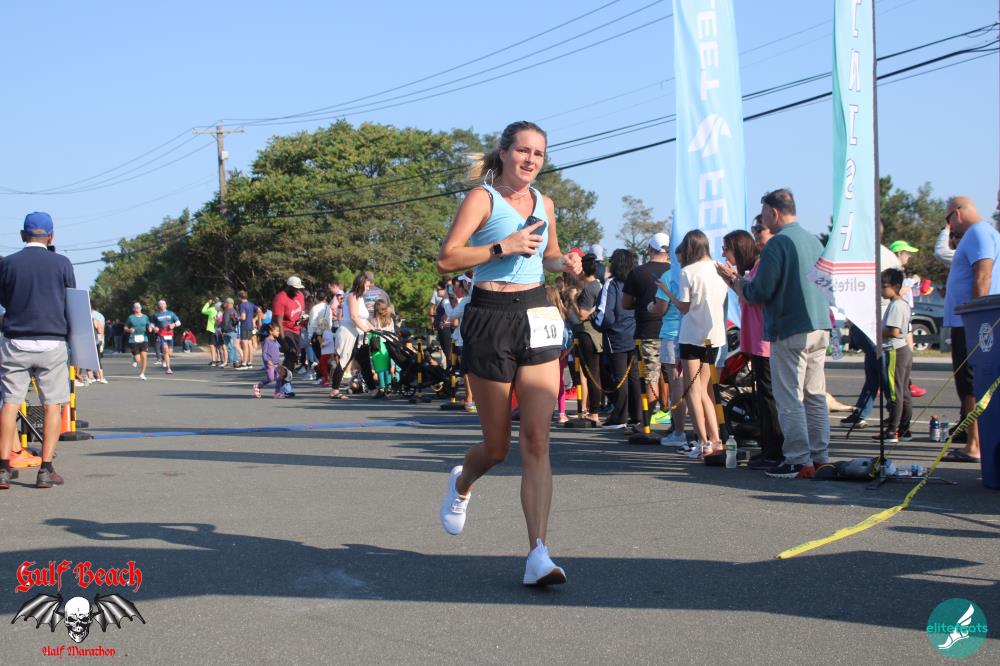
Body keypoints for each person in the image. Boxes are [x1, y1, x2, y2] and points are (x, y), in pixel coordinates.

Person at [436, 120, 582, 586]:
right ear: (503, 153)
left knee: (537, 440)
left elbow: (548, 256)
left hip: (536, 313)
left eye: (538, 153)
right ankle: (462, 482)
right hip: (489, 316)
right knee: (498, 448)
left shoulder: (545, 203)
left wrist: (566, 264)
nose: (531, 160)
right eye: (523, 151)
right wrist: (504, 245)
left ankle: (539, 553)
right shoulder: (482, 198)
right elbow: (448, 259)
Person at [722, 189, 831, 479]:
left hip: (789, 328)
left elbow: (761, 291)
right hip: (820, 325)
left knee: (789, 397)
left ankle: (797, 459)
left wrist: (738, 283)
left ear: (773, 212)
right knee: (815, 395)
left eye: (763, 216)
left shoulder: (777, 244)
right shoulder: (815, 241)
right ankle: (820, 456)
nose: (762, 222)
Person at [0, 213, 77, 489]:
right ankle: (46, 469)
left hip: (16, 341)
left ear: (23, 235)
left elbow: (4, 302)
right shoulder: (62, 263)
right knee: (52, 405)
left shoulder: (8, 264)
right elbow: (72, 303)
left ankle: (3, 468)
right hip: (52, 341)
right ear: (51, 236)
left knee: (10, 402)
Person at [656, 230, 728, 458]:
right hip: (715, 336)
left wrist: (667, 292)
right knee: (706, 391)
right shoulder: (719, 268)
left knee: (693, 392)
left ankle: (703, 442)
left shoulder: (688, 272)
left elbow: (684, 307)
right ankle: (716, 440)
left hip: (691, 336)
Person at [941, 196, 1000, 463]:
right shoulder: (983, 234)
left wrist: (978, 321)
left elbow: (983, 275)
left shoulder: (977, 233)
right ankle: (977, 442)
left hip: (971, 324)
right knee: (973, 384)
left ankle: (974, 445)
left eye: (948, 220)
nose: (949, 227)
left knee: (971, 386)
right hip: (972, 323)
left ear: (957, 213)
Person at [719, 224, 783, 468]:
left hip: (764, 342)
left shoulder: (760, 266)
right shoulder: (753, 269)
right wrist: (733, 280)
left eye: (726, 248)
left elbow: (751, 296)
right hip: (756, 340)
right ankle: (767, 446)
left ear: (738, 248)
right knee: (762, 396)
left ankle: (774, 449)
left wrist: (732, 279)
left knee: (769, 396)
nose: (724, 253)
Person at [623, 232, 671, 415]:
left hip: (647, 331)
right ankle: (674, 421)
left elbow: (625, 303)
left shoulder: (638, 272)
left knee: (651, 377)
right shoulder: (675, 272)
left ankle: (648, 422)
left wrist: (641, 303)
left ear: (650, 248)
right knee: (673, 376)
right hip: (673, 331)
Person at [595, 248, 641, 432]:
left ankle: (620, 416)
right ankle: (637, 416)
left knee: (620, 377)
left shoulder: (611, 284)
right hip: (634, 333)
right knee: (634, 377)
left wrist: (598, 324)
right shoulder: (635, 281)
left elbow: (606, 314)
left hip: (616, 336)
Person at [874, 268, 912, 443]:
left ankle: (892, 430)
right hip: (903, 350)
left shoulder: (896, 305)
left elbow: (894, 331)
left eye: (884, 286)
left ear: (896, 287)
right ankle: (904, 428)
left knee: (895, 392)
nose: (881, 290)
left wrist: (875, 331)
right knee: (904, 391)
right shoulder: (901, 304)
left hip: (895, 351)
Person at [567, 254, 603, 425]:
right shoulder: (598, 285)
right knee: (593, 373)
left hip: (588, 334)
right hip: (595, 334)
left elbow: (582, 315)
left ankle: (594, 411)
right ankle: (592, 409)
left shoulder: (590, 289)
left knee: (591, 374)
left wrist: (572, 299)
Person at [329, 273, 375, 400]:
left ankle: (373, 389)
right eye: (367, 286)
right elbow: (354, 317)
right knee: (345, 361)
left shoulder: (360, 298)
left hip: (358, 334)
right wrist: (365, 329)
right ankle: (334, 390)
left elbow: (363, 318)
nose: (368, 288)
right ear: (361, 284)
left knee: (365, 361)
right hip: (348, 332)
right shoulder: (352, 296)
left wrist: (373, 328)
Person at [272, 277, 306, 376]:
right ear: (288, 287)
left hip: (297, 329)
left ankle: (282, 375)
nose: (297, 291)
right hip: (284, 329)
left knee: (295, 356)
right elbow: (278, 323)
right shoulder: (280, 299)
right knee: (291, 352)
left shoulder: (300, 295)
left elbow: (302, 311)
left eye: (299, 288)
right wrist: (283, 342)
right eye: (295, 289)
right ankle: (284, 379)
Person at [369, 300, 396, 399]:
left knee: (379, 368)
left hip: (378, 345)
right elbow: (393, 332)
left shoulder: (374, 320)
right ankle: (388, 387)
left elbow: (370, 331)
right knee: (388, 367)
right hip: (388, 345)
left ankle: (381, 389)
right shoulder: (390, 319)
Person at [252, 323, 287, 398]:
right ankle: (258, 386)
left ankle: (277, 393)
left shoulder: (276, 341)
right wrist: (267, 361)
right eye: (277, 331)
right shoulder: (267, 341)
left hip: (277, 363)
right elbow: (264, 353)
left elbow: (279, 348)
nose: (279, 332)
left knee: (279, 377)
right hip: (269, 364)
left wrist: (285, 348)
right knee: (270, 378)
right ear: (271, 332)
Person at [151, 299, 181, 375]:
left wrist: (174, 324)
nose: (162, 305)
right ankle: (168, 369)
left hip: (170, 335)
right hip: (161, 335)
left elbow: (178, 322)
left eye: (163, 304)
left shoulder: (171, 313)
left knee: (170, 353)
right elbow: (152, 324)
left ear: (166, 305)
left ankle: (164, 358)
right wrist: (154, 328)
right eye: (160, 304)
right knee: (166, 350)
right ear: (158, 306)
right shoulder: (156, 315)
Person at [124, 302, 152, 381]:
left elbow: (149, 324)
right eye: (136, 307)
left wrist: (150, 328)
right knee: (138, 359)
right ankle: (134, 359)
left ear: (141, 308)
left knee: (144, 357)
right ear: (133, 309)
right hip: (133, 339)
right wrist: (129, 330)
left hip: (144, 338)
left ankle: (142, 373)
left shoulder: (145, 317)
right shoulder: (131, 317)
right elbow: (125, 327)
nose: (137, 309)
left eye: (138, 307)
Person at [238, 290, 258, 370]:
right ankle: (249, 363)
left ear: (240, 297)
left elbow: (243, 317)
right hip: (250, 326)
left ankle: (244, 364)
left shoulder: (242, 305)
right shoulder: (251, 304)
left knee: (245, 344)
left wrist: (237, 318)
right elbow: (259, 311)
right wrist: (255, 319)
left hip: (245, 326)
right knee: (249, 344)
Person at [201, 299, 220, 366]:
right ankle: (219, 360)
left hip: (211, 329)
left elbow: (203, 311)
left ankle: (214, 360)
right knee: (218, 345)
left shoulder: (212, 309)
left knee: (212, 345)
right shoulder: (220, 310)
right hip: (218, 329)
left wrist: (208, 303)